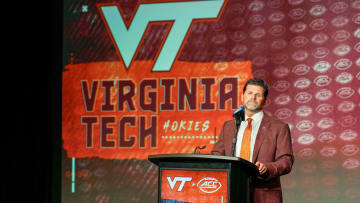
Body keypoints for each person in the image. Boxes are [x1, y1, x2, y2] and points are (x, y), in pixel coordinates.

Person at [211, 78, 294, 203]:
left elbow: (286, 161)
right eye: (249, 93)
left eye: (258, 95)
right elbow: (217, 155)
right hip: (231, 191)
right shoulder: (228, 126)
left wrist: (268, 168)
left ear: (265, 100)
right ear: (242, 96)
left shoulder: (279, 127)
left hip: (264, 194)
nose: (253, 97)